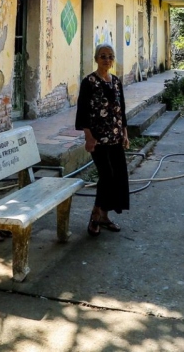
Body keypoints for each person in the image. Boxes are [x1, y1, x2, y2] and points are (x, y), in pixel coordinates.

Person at [75, 42, 129, 236]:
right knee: (106, 176)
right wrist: (88, 137)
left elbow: (121, 109)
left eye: (110, 56)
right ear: (96, 59)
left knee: (116, 177)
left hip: (115, 137)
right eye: (103, 56)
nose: (107, 59)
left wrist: (125, 133)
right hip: (98, 139)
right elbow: (83, 112)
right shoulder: (88, 82)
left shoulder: (115, 81)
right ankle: (95, 216)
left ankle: (104, 216)